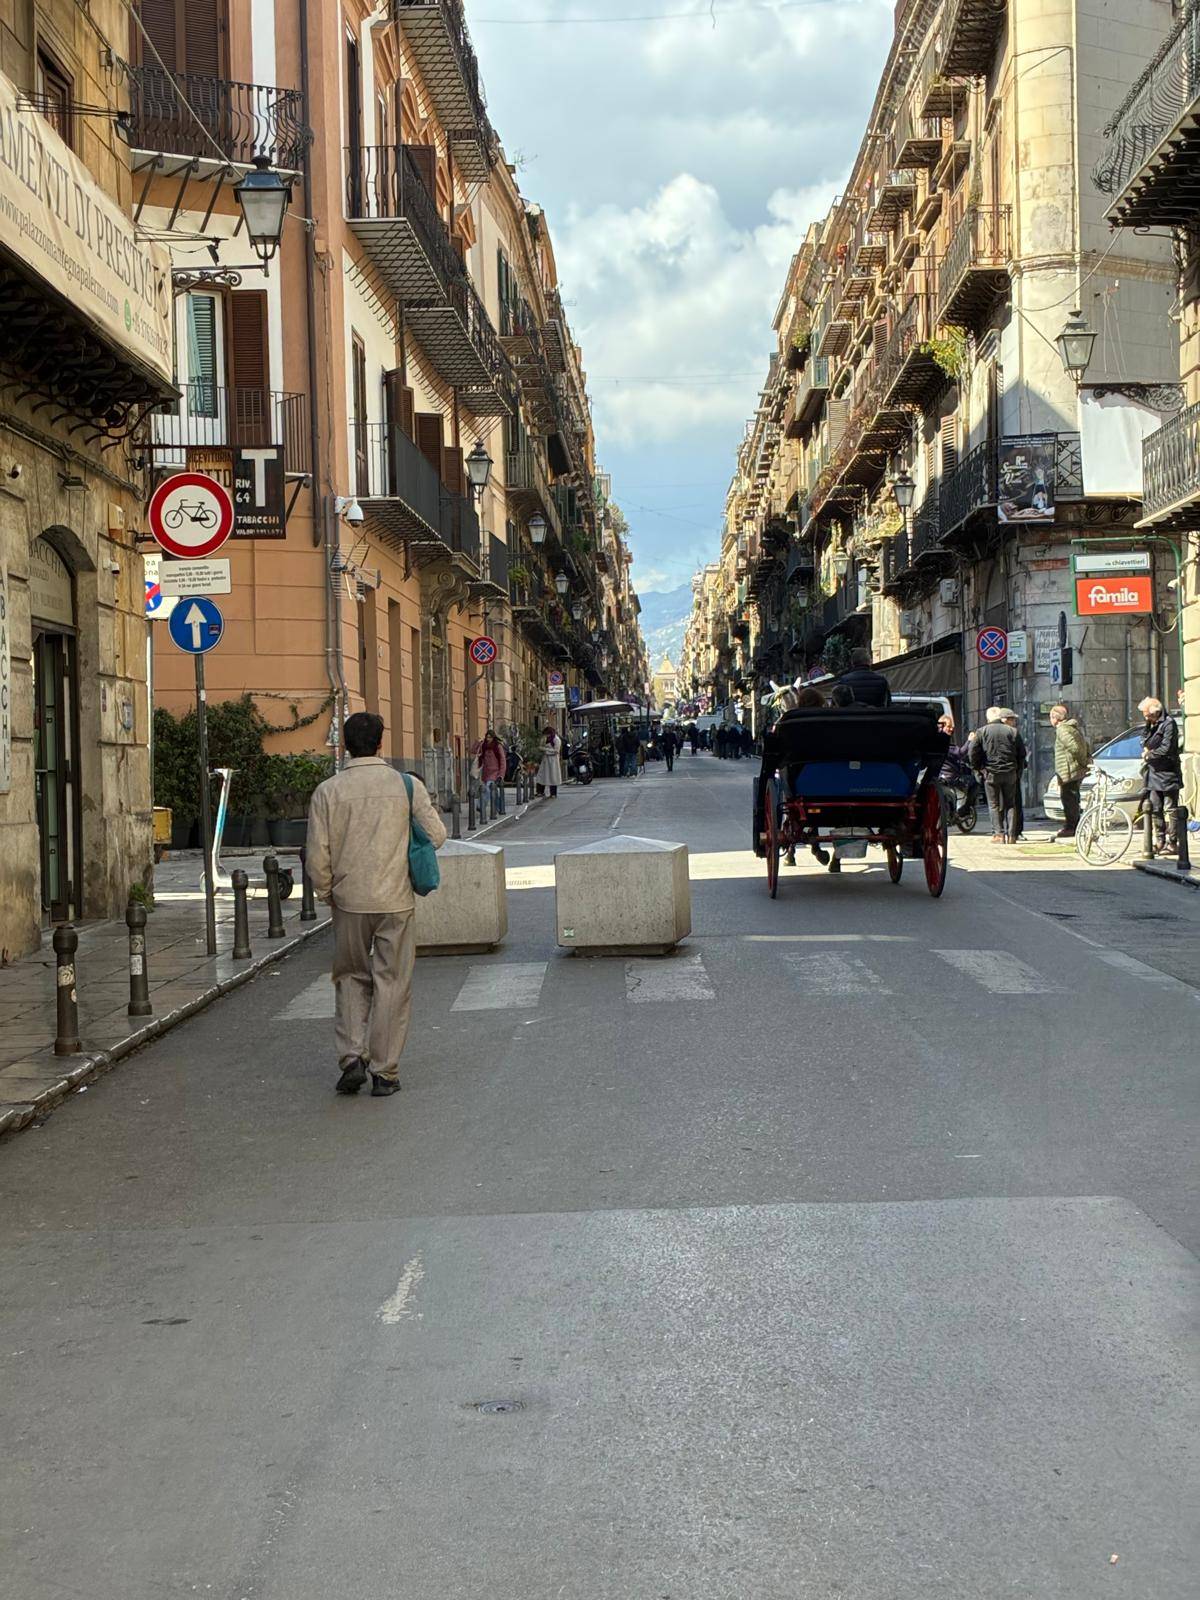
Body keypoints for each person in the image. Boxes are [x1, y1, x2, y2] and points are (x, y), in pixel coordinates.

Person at [306, 712, 447, 1099]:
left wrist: (327, 893)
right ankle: (385, 1072)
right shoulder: (406, 786)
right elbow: (437, 835)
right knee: (392, 981)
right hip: (395, 899)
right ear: (381, 743)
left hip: (349, 900)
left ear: (346, 745)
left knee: (350, 976)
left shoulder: (327, 791)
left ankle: (352, 1056)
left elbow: (317, 857)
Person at [969, 705, 1025, 843]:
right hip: (1010, 772)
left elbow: (972, 752)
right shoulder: (1013, 731)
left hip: (991, 772)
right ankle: (1012, 835)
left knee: (993, 804)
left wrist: (978, 768)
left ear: (988, 718)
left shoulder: (982, 732)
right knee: (1011, 804)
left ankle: (998, 834)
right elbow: (1022, 754)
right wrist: (1018, 771)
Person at [1139, 695, 1183, 853]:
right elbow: (1143, 739)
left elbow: (1166, 748)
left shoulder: (1168, 723)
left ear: (1155, 712)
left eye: (1147, 715)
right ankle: (1160, 841)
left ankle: (1173, 842)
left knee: (1171, 808)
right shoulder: (1151, 723)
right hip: (1153, 772)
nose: (1146, 718)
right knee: (1155, 808)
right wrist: (1147, 728)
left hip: (1168, 772)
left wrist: (1148, 755)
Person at [1049, 703, 1089, 839]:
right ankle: (1074, 825)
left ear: (1055, 718)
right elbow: (1085, 744)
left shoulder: (1063, 730)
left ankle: (1071, 827)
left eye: (1051, 717)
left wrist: (1083, 761)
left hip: (1069, 770)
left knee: (1068, 799)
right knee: (1072, 798)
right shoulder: (1072, 728)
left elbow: (1075, 748)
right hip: (1074, 769)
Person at [473, 728, 507, 816]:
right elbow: (473, 751)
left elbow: (503, 761)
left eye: (490, 737)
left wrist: (501, 775)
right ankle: (500, 808)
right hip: (486, 773)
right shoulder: (483, 746)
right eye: (487, 737)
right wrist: (477, 742)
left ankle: (480, 806)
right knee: (494, 792)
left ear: (493, 738)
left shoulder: (498, 747)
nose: (488, 739)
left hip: (495, 773)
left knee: (488, 789)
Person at [536, 724, 563, 798]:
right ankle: (540, 791)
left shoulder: (556, 739)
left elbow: (556, 751)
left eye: (547, 734)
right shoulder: (546, 739)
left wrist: (545, 750)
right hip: (546, 760)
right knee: (541, 776)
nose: (546, 736)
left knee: (552, 777)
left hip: (553, 761)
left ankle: (553, 793)